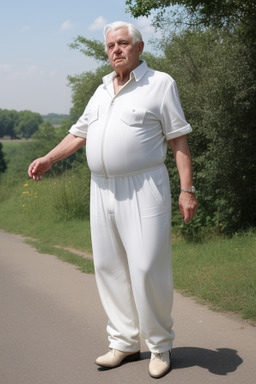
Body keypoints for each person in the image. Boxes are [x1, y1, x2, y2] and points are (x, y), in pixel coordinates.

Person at [28, 21, 197, 379]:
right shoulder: (102, 89)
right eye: (110, 46)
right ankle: (123, 341)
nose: (116, 50)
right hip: (101, 188)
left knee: (148, 266)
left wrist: (187, 189)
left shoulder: (160, 83)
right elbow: (79, 133)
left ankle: (160, 345)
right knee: (109, 266)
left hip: (144, 186)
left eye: (123, 43)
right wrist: (48, 158)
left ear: (139, 47)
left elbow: (178, 140)